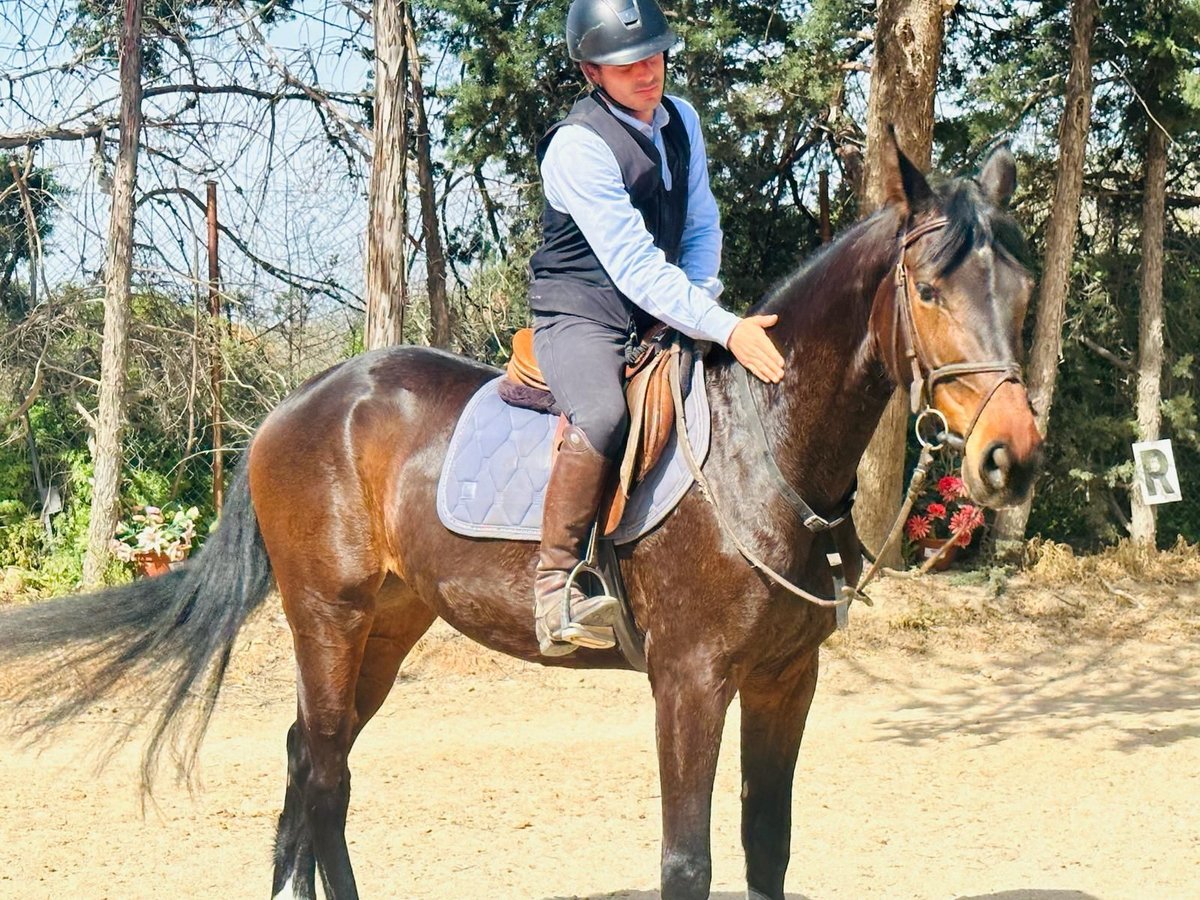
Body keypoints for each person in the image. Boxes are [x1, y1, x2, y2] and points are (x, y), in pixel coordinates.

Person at [530, 0, 785, 656]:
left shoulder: (683, 120)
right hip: (581, 312)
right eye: (626, 63)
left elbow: (701, 224)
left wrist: (699, 304)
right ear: (592, 70)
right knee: (604, 415)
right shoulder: (576, 148)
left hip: (662, 303)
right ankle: (555, 584)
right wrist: (723, 327)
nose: (648, 72)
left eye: (654, 55)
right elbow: (634, 266)